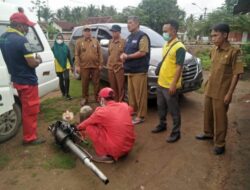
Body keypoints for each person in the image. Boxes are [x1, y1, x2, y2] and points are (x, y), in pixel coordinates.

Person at [196, 23, 244, 155]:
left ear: (225, 35)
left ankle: (220, 143)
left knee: (220, 118)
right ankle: (208, 133)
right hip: (211, 88)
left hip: (222, 92)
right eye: (212, 35)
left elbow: (237, 73)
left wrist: (229, 94)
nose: (213, 38)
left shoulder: (234, 52)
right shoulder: (214, 50)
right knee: (208, 114)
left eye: (216, 35)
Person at [0, 12, 45, 145]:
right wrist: (38, 60)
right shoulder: (22, 40)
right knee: (30, 110)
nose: (27, 29)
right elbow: (31, 63)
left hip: (16, 79)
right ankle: (30, 138)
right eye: (26, 26)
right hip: (28, 81)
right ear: (19, 26)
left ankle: (29, 134)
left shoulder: (3, 38)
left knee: (25, 108)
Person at [76, 87, 135, 163]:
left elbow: (86, 123)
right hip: (128, 147)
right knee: (110, 125)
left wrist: (77, 128)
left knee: (89, 127)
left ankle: (105, 155)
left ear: (103, 99)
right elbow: (131, 109)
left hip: (117, 150)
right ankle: (116, 150)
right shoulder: (124, 105)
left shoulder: (102, 112)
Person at [151, 20, 186, 143]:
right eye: (163, 31)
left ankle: (176, 133)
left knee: (173, 110)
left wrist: (173, 84)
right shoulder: (166, 44)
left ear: (174, 31)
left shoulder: (180, 47)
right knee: (161, 106)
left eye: (166, 31)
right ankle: (162, 124)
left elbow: (179, 67)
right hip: (161, 82)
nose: (164, 33)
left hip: (170, 85)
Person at [120, 16, 150, 125]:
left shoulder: (142, 36)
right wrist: (123, 55)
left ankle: (141, 116)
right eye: (127, 23)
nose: (128, 25)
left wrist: (127, 56)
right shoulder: (129, 37)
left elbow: (142, 52)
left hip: (139, 70)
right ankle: (134, 111)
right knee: (132, 95)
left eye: (130, 23)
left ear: (137, 24)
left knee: (140, 95)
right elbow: (127, 51)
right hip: (130, 70)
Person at [75, 25, 103, 106]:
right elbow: (76, 54)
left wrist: (101, 64)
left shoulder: (95, 41)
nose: (88, 32)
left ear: (91, 32)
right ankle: (85, 98)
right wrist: (77, 65)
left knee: (96, 83)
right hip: (84, 66)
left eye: (89, 31)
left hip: (95, 66)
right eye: (86, 31)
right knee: (85, 83)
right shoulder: (79, 42)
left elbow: (100, 53)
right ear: (83, 32)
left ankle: (97, 98)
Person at [107, 25, 126, 102]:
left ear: (119, 32)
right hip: (111, 68)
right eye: (112, 32)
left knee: (120, 87)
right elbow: (109, 54)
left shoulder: (124, 42)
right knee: (113, 87)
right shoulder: (110, 42)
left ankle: (121, 103)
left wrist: (122, 64)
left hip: (119, 68)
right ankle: (115, 102)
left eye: (115, 32)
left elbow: (125, 55)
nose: (113, 33)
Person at [52, 33, 73, 100]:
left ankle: (67, 93)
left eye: (61, 38)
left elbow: (69, 56)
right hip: (58, 65)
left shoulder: (66, 47)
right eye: (58, 38)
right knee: (61, 80)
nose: (59, 39)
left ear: (63, 39)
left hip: (65, 64)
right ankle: (63, 93)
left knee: (66, 78)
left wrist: (72, 65)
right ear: (56, 39)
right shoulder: (53, 48)